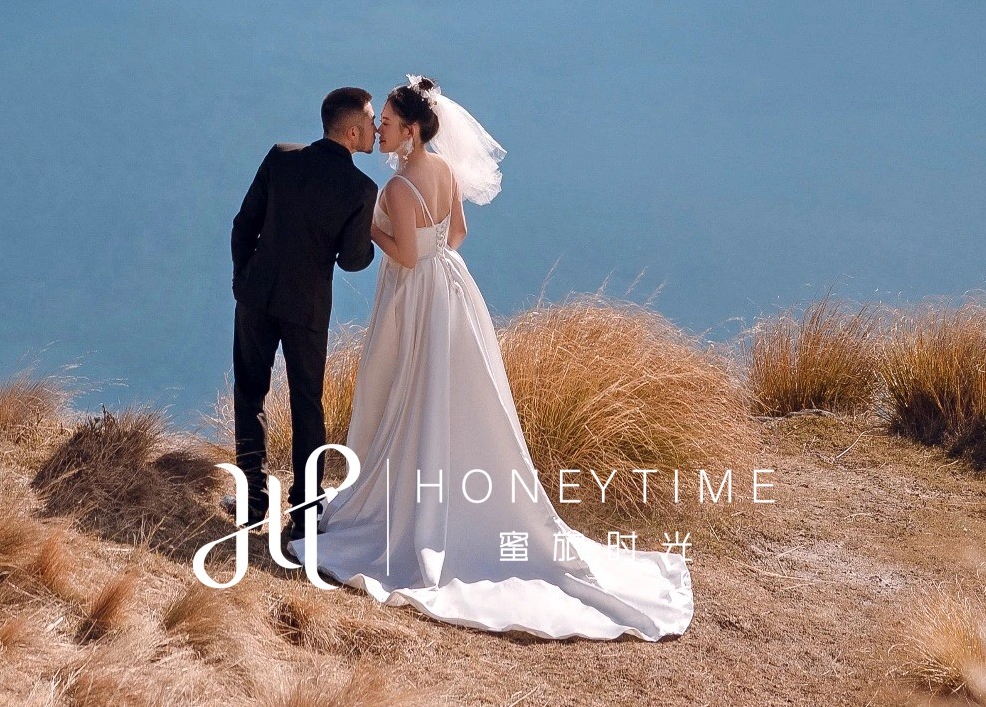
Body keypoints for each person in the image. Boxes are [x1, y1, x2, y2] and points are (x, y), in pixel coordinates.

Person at [295, 76, 692, 640]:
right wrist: (434, 258)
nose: (378, 128)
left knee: (409, 391)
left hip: (413, 297)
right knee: (449, 394)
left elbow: (405, 255)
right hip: (451, 289)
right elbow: (456, 232)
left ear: (409, 130)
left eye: (385, 121)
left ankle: (406, 501)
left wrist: (369, 230)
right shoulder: (444, 173)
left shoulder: (399, 190)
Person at [231, 86, 379, 489]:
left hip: (256, 295)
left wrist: (242, 280)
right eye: (369, 121)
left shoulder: (281, 156)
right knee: (307, 406)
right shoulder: (361, 190)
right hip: (308, 308)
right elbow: (352, 260)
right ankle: (304, 506)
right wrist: (370, 245)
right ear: (351, 133)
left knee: (249, 393)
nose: (376, 128)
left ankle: (254, 494)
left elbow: (244, 224)